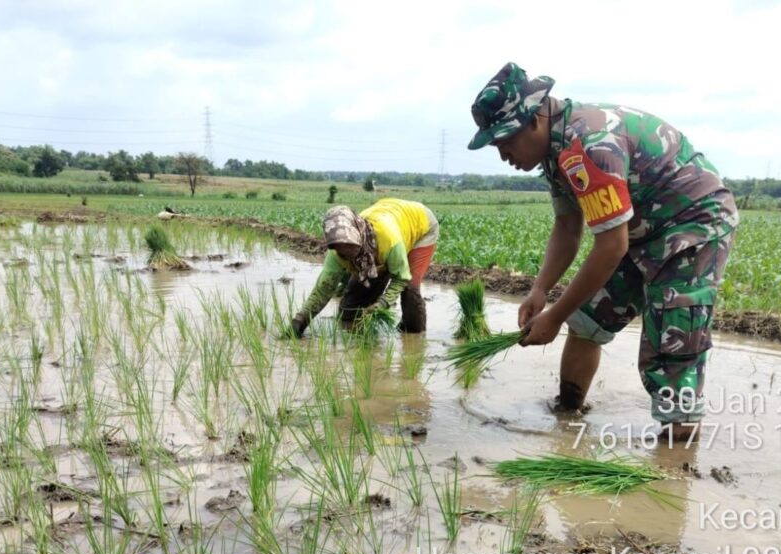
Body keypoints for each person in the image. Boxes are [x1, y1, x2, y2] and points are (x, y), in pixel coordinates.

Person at [467, 62, 739, 440]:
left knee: (672, 347)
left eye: (505, 141)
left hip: (691, 224)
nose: (504, 156)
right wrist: (541, 290)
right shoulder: (555, 151)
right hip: (637, 228)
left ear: (534, 120)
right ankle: (567, 423)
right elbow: (567, 226)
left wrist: (554, 316)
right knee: (587, 321)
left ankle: (677, 461)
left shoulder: (591, 145)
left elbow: (611, 246)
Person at [288, 199, 438, 337]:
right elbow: (323, 289)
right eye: (341, 249)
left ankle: (413, 337)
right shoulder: (335, 255)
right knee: (351, 308)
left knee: (410, 290)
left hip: (421, 225)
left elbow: (402, 276)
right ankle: (357, 334)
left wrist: (382, 304)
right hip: (389, 221)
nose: (347, 253)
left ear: (358, 234)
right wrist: (300, 321)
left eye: (350, 245)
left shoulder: (388, 240)